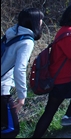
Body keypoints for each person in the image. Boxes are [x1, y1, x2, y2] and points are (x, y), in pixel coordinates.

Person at [32, 3, 71, 138]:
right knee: (50, 111)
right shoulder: (69, 32)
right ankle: (66, 117)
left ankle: (68, 115)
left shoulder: (66, 30)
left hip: (63, 76)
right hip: (61, 79)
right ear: (69, 15)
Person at [2, 8, 43, 138]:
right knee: (11, 129)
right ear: (35, 22)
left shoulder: (11, 33)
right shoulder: (26, 41)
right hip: (2, 89)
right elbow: (20, 69)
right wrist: (22, 95)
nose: (42, 22)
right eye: (40, 20)